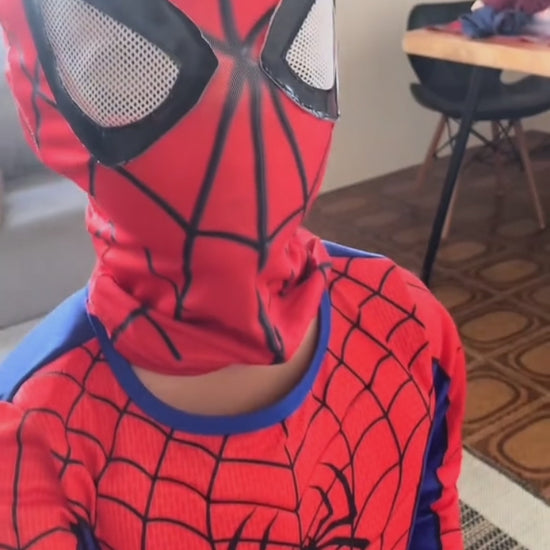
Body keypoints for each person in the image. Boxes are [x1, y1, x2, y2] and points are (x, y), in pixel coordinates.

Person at [0, 1, 466, 548]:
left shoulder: (413, 330)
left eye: (290, 42)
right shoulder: (31, 437)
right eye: (128, 65)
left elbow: (431, 522)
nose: (237, 105)